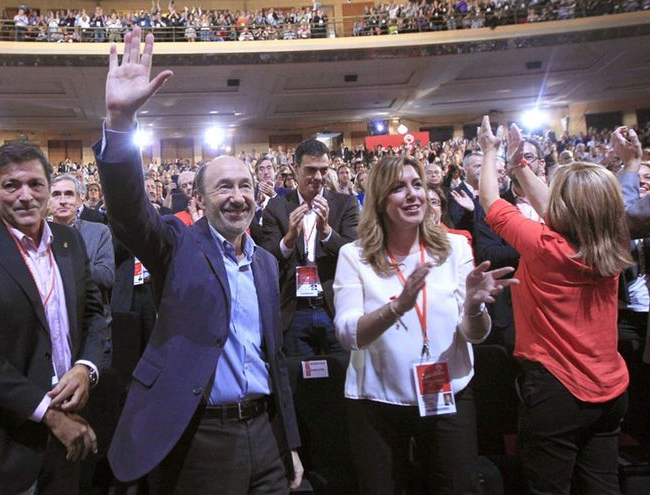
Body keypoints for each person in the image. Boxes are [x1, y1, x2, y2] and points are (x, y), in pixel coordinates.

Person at [96, 26, 302, 493]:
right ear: (199, 197)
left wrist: (289, 442)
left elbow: (274, 358)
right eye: (223, 187)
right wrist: (121, 123)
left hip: (265, 438)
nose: (237, 197)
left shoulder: (267, 264)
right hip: (200, 437)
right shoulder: (178, 242)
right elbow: (130, 214)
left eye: (245, 186)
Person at [333, 155, 516, 494]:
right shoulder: (354, 256)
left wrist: (474, 306)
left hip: (450, 392)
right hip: (377, 402)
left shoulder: (454, 248)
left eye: (417, 184)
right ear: (379, 200)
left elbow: (474, 334)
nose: (413, 194)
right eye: (399, 188)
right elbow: (348, 334)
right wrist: (398, 307)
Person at [0, 142, 107, 493]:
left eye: (35, 184)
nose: (25, 195)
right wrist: (51, 415)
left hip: (70, 435)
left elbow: (93, 314)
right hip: (3, 442)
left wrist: (85, 367)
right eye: (12, 185)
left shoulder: (69, 240)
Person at [479, 116, 631, 494]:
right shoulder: (613, 244)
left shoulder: (544, 247)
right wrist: (520, 167)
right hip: (611, 392)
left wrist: (489, 151)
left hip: (557, 393)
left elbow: (490, 201)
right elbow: (561, 210)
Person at [261, 138, 360, 357]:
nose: (318, 177)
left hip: (333, 307)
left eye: (324, 171)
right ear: (295, 168)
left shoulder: (346, 204)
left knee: (340, 381)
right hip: (294, 308)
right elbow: (265, 259)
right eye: (310, 170)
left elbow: (355, 255)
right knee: (300, 384)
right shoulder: (276, 208)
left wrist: (326, 233)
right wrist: (288, 239)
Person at [49, 173, 115, 294]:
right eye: (56, 195)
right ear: (48, 201)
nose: (63, 201)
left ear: (79, 200)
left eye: (69, 194)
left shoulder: (99, 232)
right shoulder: (38, 234)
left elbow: (107, 278)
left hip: (89, 309)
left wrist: (71, 261)